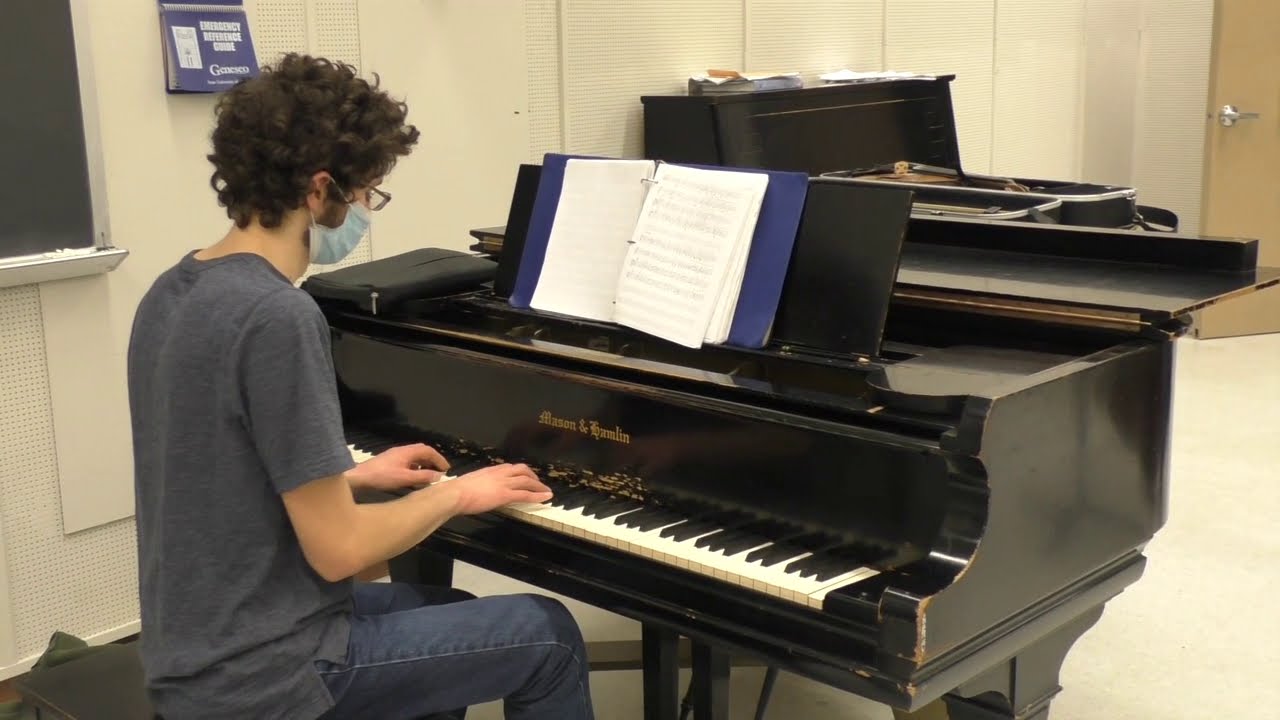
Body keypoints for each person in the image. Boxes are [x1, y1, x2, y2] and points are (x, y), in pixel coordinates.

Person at [126, 53, 595, 720]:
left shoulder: (171, 292)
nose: (364, 213)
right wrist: (461, 492)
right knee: (549, 635)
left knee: (453, 610)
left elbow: (214, 480)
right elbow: (341, 549)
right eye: (367, 194)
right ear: (320, 191)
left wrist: (353, 477)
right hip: (271, 677)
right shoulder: (279, 316)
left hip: (192, 655)